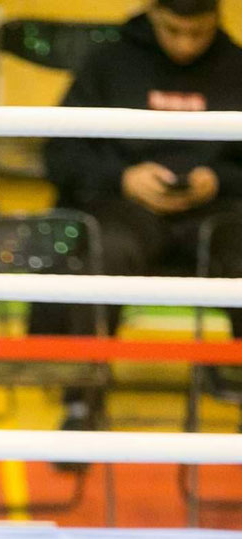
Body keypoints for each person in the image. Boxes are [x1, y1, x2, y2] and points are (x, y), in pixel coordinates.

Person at [33, 0, 242, 433]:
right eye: (173, 30)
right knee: (102, 250)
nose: (185, 44)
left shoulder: (236, 66)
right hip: (123, 211)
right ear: (153, 16)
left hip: (218, 214)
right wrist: (123, 178)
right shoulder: (109, 61)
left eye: (198, 33)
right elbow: (61, 153)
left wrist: (218, 180)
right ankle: (82, 403)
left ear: (217, 21)